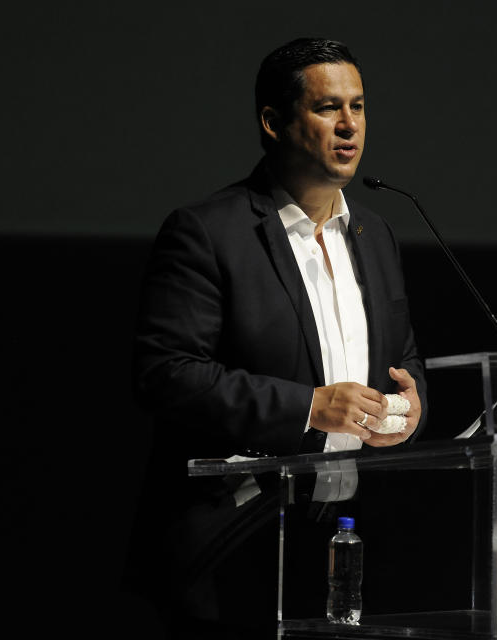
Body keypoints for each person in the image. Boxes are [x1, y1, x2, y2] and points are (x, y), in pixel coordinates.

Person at [124, 38, 427, 638]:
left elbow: (403, 357)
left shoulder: (374, 233)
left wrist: (412, 406)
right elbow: (165, 373)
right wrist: (310, 408)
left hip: (345, 537)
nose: (349, 126)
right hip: (238, 541)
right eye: (327, 108)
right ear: (273, 121)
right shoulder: (209, 232)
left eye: (359, 107)